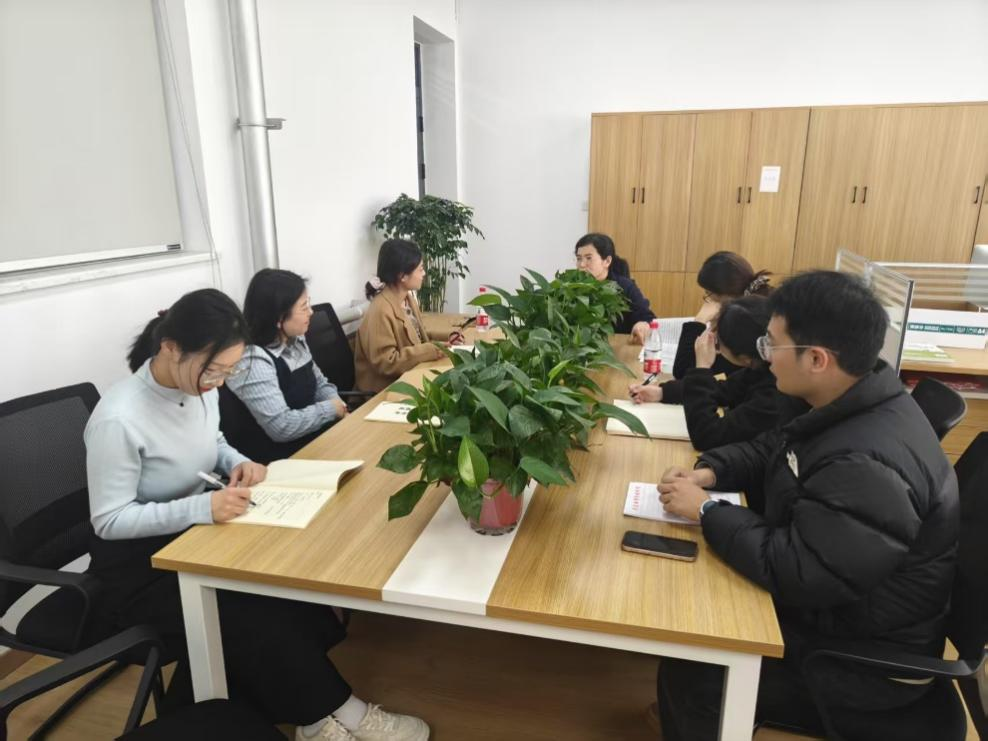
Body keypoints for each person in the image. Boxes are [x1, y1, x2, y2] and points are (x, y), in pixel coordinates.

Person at [85, 288, 430, 741]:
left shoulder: (198, 387)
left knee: (279, 581)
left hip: (196, 531)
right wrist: (201, 507)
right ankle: (335, 714)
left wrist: (239, 462)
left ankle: (305, 711)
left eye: (228, 372)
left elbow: (214, 441)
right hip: (140, 567)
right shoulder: (118, 419)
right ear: (170, 348)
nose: (219, 384)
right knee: (247, 607)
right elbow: (109, 520)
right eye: (213, 371)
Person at [653, 271, 959, 740]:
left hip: (865, 662)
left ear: (817, 359)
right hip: (840, 613)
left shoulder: (866, 462)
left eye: (773, 344)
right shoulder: (841, 399)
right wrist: (710, 473)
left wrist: (708, 511)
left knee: (695, 665)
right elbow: (774, 450)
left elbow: (800, 571)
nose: (765, 356)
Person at [628, 295, 790, 451]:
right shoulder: (761, 367)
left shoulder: (775, 393)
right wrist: (663, 392)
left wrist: (702, 367)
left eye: (718, 342)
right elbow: (723, 390)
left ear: (745, 358)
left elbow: (707, 436)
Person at [222, 268, 347, 464]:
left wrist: (340, 408)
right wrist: (331, 410)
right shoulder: (252, 359)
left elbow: (320, 384)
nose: (311, 312)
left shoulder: (296, 339)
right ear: (279, 317)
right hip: (278, 460)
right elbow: (281, 427)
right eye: (303, 307)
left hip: (312, 441)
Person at [354, 239, 455, 393]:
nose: (424, 274)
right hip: (387, 391)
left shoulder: (407, 299)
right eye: (420, 269)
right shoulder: (380, 310)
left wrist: (448, 338)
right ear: (402, 276)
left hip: (409, 378)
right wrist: (431, 350)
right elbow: (387, 362)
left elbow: (419, 337)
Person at [673, 251, 773, 379]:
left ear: (725, 295)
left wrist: (699, 320)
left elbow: (683, 372)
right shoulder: (757, 310)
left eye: (709, 294)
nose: (708, 300)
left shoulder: (743, 325)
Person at [574, 233, 655, 344]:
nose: (582, 264)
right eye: (579, 259)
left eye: (589, 258)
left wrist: (642, 325)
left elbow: (648, 318)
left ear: (607, 261)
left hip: (619, 348)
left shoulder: (625, 287)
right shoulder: (572, 288)